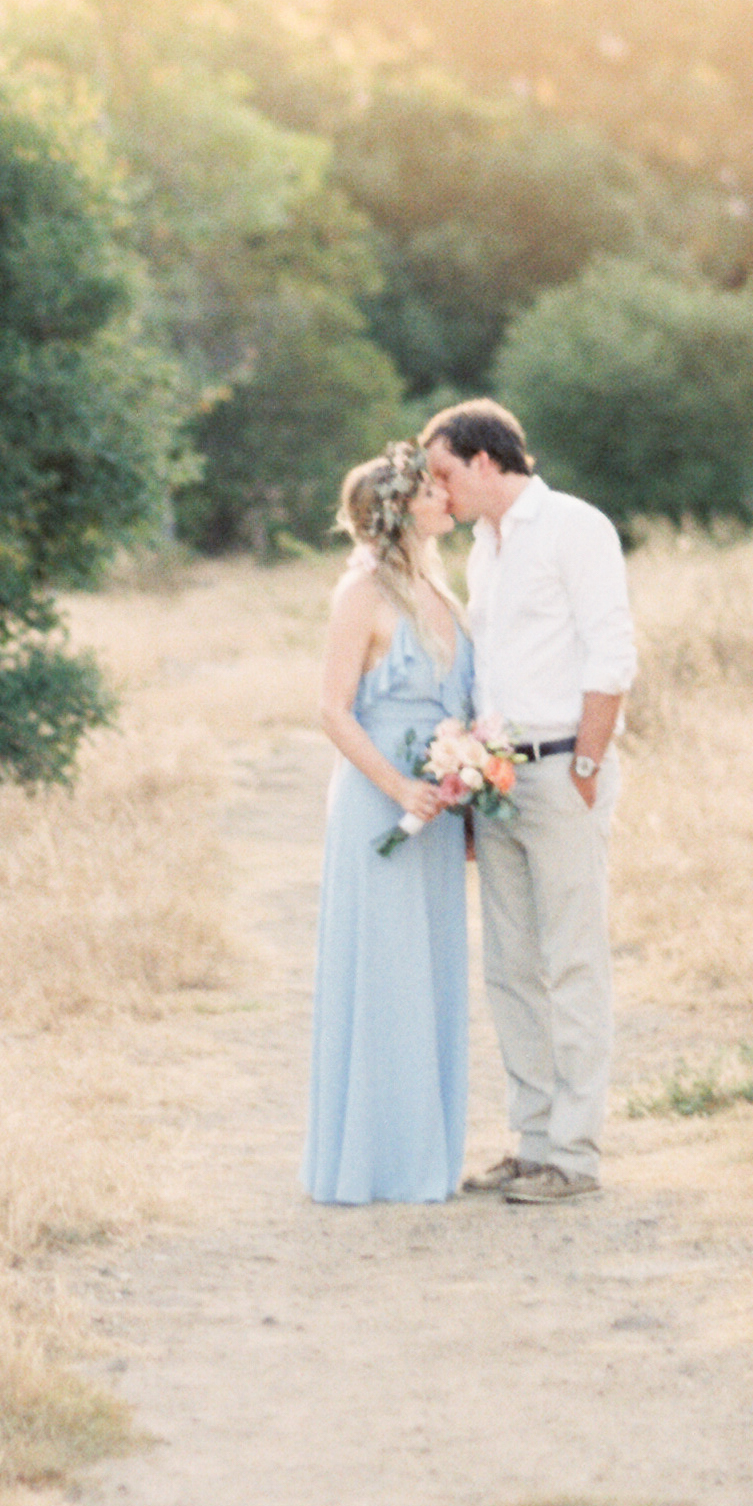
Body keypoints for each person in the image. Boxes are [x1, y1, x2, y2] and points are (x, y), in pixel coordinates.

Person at [422, 397, 633, 1204]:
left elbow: (611, 649)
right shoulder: (482, 546)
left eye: (443, 472)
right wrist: (471, 775)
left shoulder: (575, 526)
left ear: (483, 461)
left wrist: (585, 761)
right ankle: (534, 1137)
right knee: (510, 965)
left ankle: (575, 1156)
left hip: (560, 770)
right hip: (497, 777)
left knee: (572, 959)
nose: (438, 492)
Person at [305, 439, 476, 1205]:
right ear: (401, 507)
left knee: (430, 970)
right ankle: (370, 1162)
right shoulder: (362, 593)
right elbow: (331, 710)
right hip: (382, 798)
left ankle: (423, 1158)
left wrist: (468, 774)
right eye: (432, 488)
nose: (447, 495)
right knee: (381, 971)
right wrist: (398, 785)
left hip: (438, 807)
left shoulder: (442, 591)